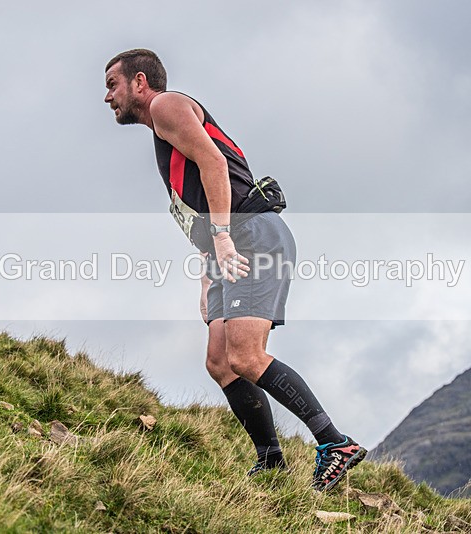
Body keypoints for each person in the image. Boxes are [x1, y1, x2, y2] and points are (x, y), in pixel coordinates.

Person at [103, 48, 365, 491]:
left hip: (250, 236)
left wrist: (223, 236)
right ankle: (271, 461)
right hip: (230, 245)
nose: (107, 97)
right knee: (221, 361)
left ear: (140, 82)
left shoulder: (166, 105)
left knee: (245, 355)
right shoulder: (161, 127)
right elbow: (200, 200)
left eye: (113, 85)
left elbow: (214, 164)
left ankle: (333, 443)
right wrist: (209, 271)